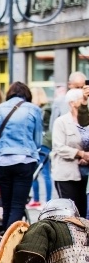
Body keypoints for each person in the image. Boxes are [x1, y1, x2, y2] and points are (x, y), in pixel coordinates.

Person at [0, 82, 43, 231]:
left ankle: (4, 239)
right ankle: (9, 242)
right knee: (18, 205)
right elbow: (38, 142)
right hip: (24, 161)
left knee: (6, 204)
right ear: (27, 95)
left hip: (1, 162)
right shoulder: (34, 109)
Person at [50, 87, 89, 218]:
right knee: (70, 213)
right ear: (72, 103)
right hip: (67, 174)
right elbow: (59, 147)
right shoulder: (61, 122)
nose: (86, 102)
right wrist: (80, 153)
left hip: (85, 174)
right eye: (82, 100)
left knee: (83, 212)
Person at [30, 86, 53, 207]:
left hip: (43, 144)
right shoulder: (43, 109)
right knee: (37, 173)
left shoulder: (43, 111)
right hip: (41, 144)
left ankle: (48, 201)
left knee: (44, 173)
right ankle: (37, 199)